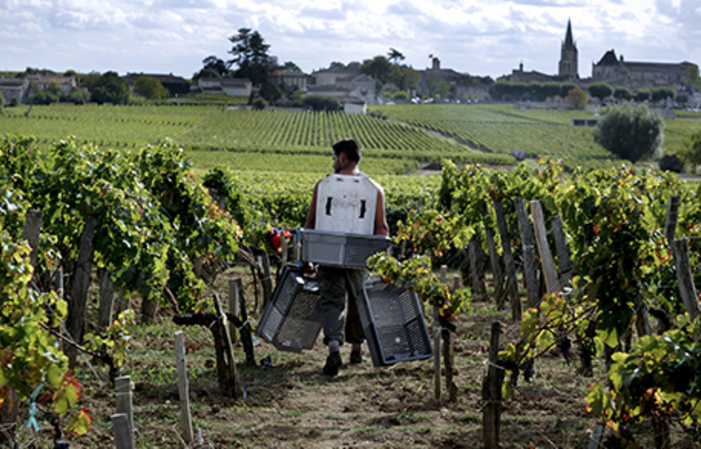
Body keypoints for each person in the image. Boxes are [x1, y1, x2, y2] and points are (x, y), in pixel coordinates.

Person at [304, 138, 389, 376]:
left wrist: (306, 256)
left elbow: (310, 224)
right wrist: (384, 262)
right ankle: (357, 349)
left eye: (333, 158)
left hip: (327, 251)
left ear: (342, 157)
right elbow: (381, 229)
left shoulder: (323, 186)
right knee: (359, 299)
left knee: (331, 300)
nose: (333, 162)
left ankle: (333, 349)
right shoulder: (374, 188)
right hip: (360, 253)